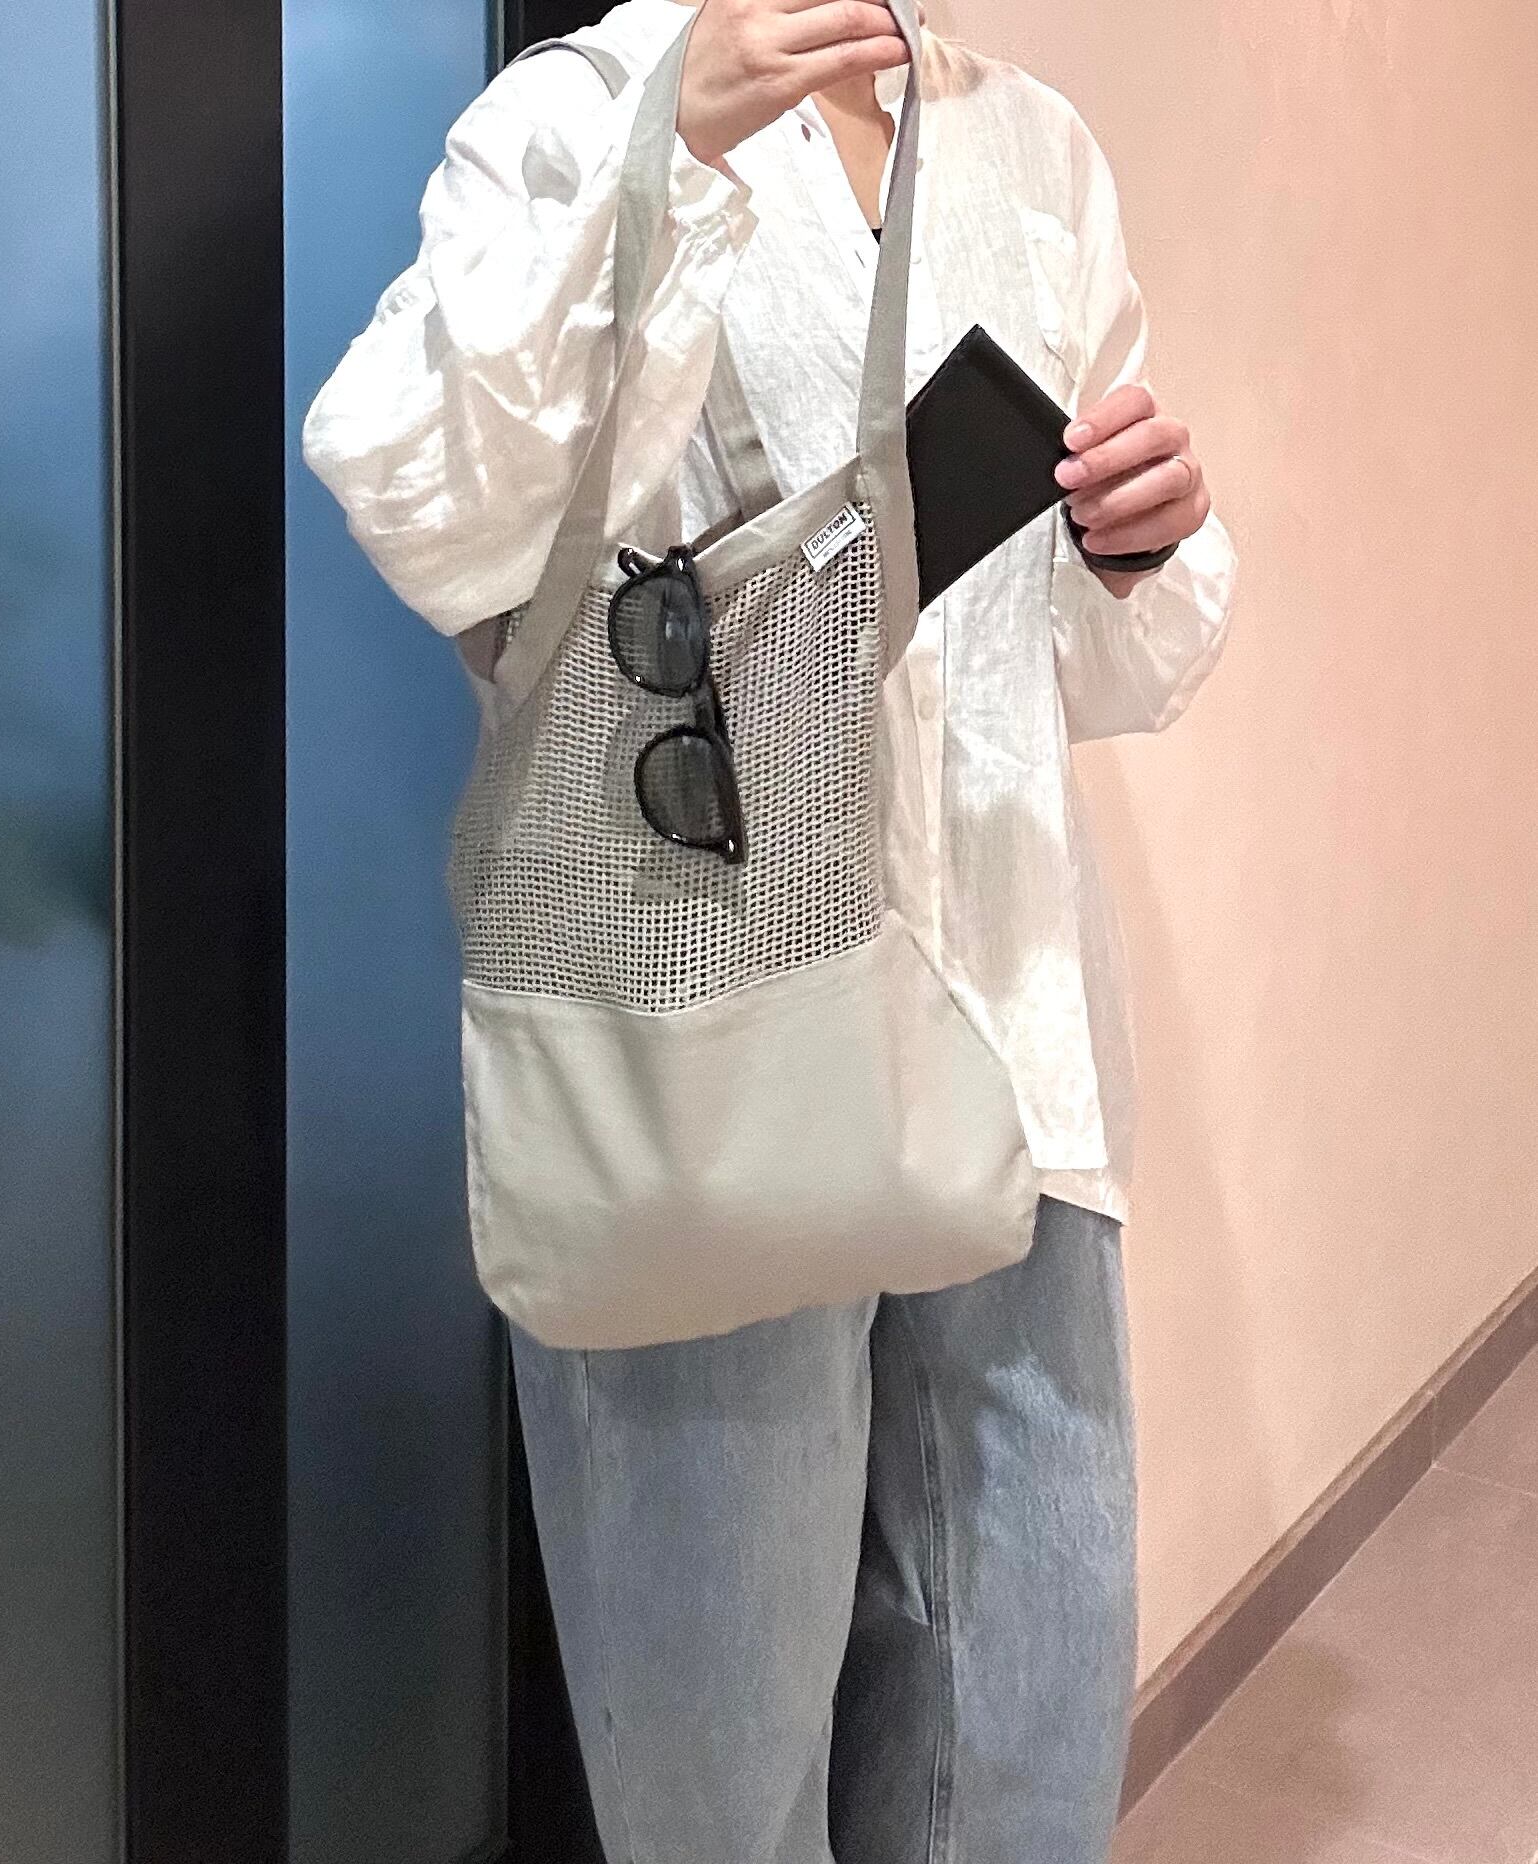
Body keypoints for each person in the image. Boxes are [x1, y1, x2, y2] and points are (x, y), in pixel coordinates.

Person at [302, 1, 1238, 1858]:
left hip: (1009, 1032)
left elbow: (1068, 664)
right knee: (716, 1772)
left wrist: (1137, 544)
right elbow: (424, 510)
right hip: (704, 1044)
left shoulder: (1028, 141)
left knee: (1022, 1736)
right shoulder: (576, 108)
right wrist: (669, 155)